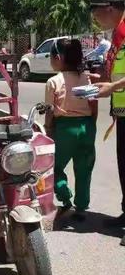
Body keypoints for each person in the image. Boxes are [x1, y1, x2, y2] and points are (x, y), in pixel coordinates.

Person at [87, 0, 125, 244]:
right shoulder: (117, 33)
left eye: (96, 13)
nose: (95, 19)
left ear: (108, 8)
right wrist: (100, 81)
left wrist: (111, 87)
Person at [44, 39, 97, 222]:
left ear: (58, 57)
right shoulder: (86, 78)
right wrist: (92, 126)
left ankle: (66, 198)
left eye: (51, 57)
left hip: (64, 128)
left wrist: (48, 130)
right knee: (84, 168)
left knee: (54, 166)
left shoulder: (53, 82)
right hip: (87, 126)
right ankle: (81, 207)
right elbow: (94, 105)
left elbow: (50, 111)